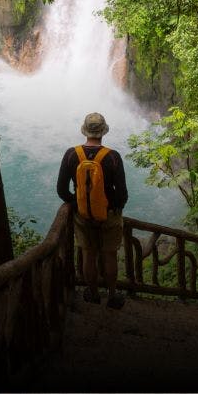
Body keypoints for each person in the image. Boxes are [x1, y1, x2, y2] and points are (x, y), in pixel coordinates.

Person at [57, 112, 129, 309]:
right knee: (109, 255)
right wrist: (114, 208)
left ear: (85, 131)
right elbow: (122, 193)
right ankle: (112, 295)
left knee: (88, 254)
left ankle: (93, 294)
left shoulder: (72, 154)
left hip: (83, 215)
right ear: (103, 132)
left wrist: (78, 203)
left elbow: (61, 190)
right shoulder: (112, 157)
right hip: (109, 215)